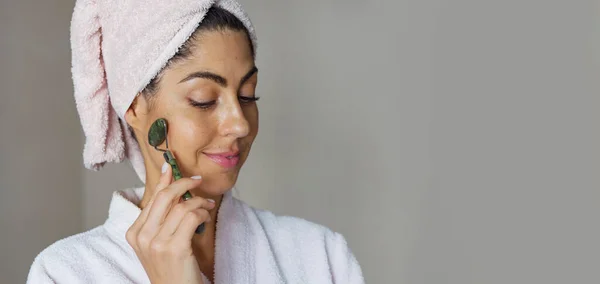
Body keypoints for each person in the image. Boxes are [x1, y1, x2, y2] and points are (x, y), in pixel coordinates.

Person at [26, 0, 364, 283]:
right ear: (134, 107)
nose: (239, 124)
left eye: (248, 95)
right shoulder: (66, 273)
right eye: (204, 99)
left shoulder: (320, 256)